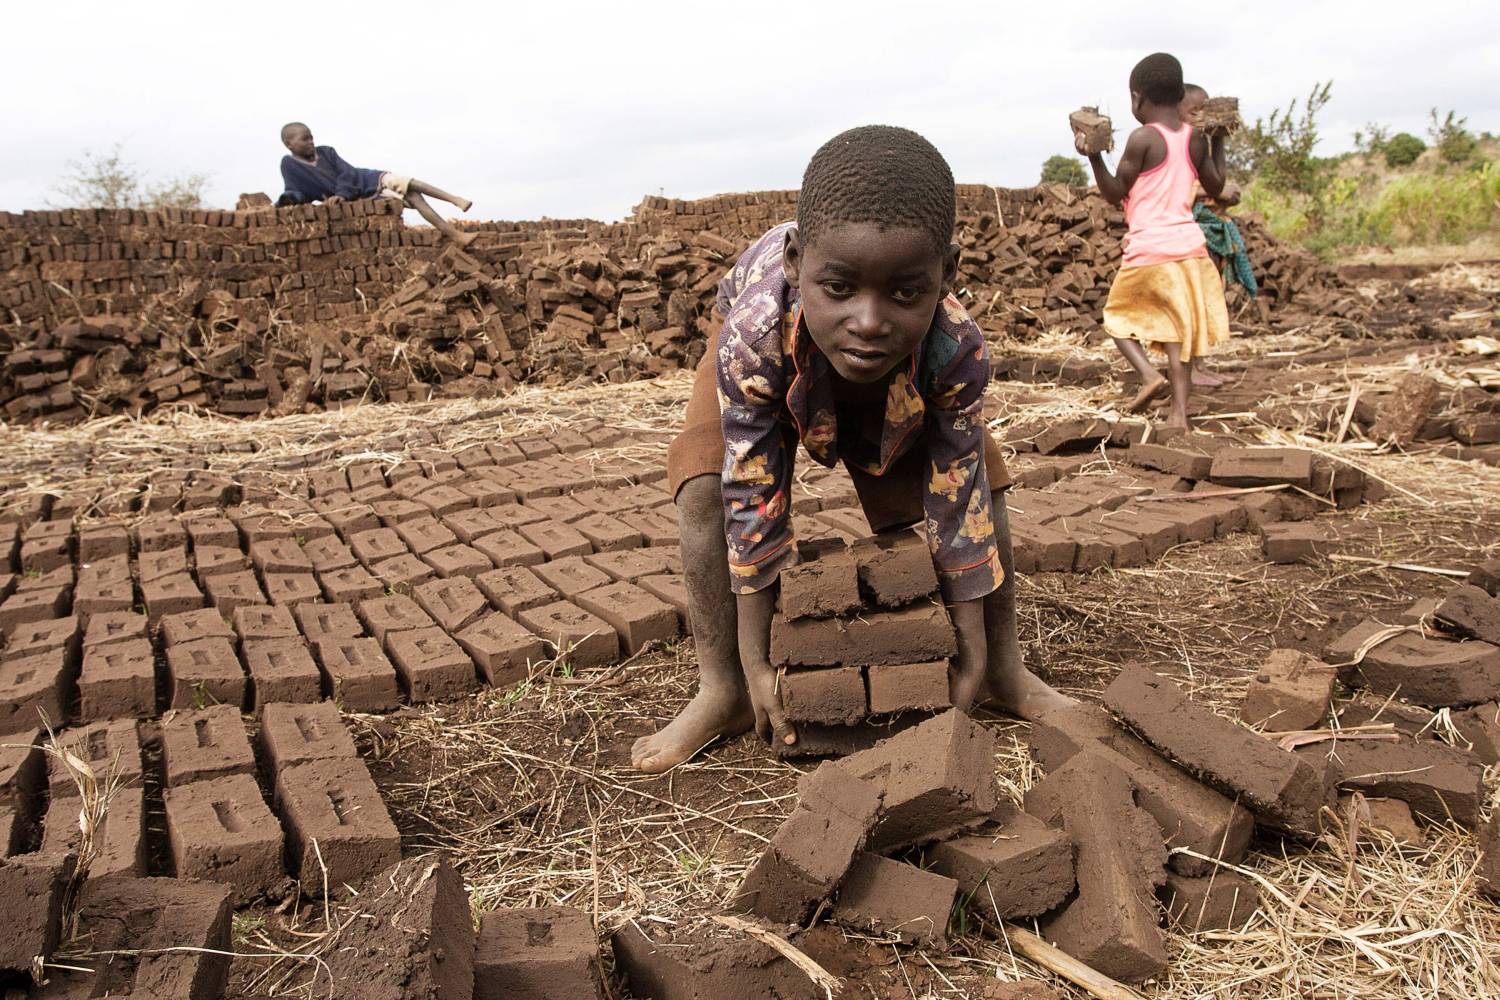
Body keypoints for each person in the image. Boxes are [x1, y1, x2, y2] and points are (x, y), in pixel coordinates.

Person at [630, 125, 1071, 774]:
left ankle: (1005, 669)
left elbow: (960, 499)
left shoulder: (955, 348)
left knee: (985, 471)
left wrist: (970, 656)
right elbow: (753, 497)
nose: (868, 320)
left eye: (904, 292)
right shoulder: (753, 333)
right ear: (795, 262)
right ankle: (720, 690)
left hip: (892, 367)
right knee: (702, 482)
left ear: (946, 275)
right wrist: (757, 668)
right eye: (840, 289)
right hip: (774, 351)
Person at [1077, 54, 1232, 427]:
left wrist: (1094, 155)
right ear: (1179, 94)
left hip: (1150, 249)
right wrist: (1220, 141)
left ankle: (1148, 375)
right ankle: (1179, 415)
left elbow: (1115, 192)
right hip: (1190, 250)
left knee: (1116, 319)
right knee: (1177, 335)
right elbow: (1216, 186)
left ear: (1136, 98)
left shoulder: (1143, 138)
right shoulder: (1194, 139)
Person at [275, 123, 475, 246]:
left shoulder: (326, 152)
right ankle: (456, 235)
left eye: (311, 137)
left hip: (367, 179)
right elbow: (296, 190)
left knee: (408, 183)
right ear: (289, 144)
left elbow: (347, 172)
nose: (311, 141)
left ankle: (454, 200)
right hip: (361, 197)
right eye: (305, 139)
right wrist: (287, 201)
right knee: (413, 198)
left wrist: (342, 193)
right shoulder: (290, 165)